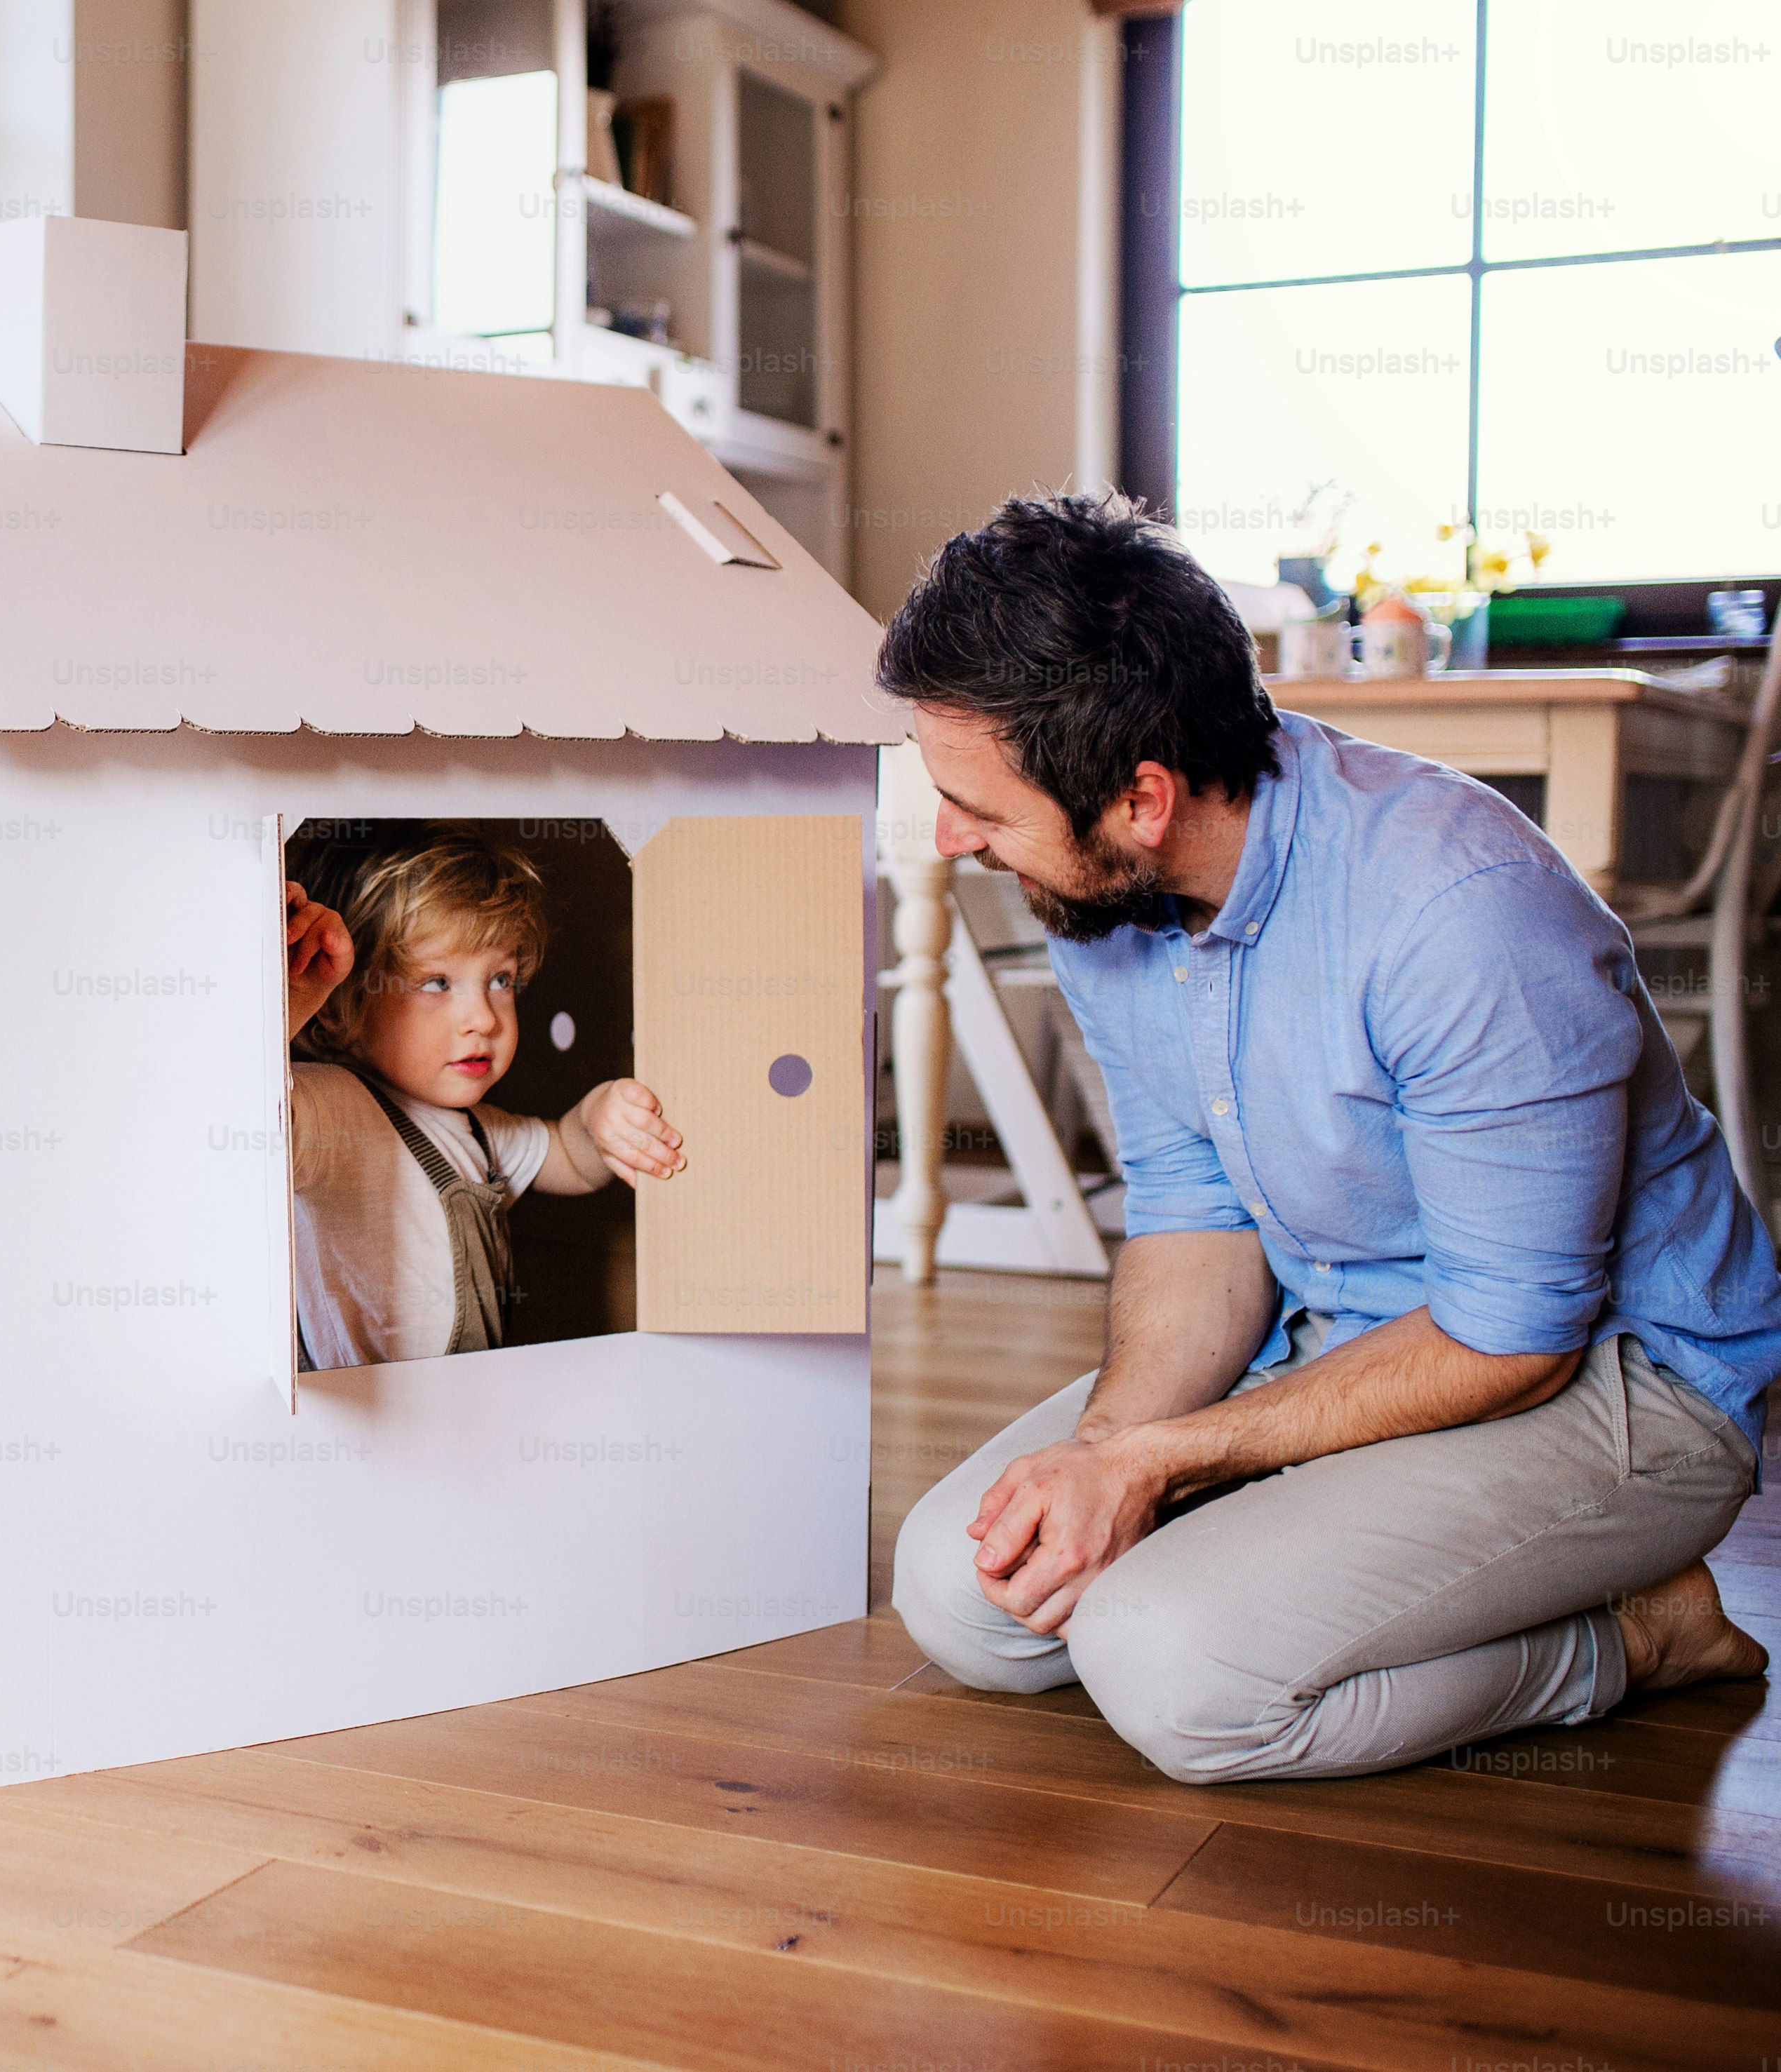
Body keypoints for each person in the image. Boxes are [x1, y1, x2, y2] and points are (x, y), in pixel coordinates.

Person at [885, 492, 1773, 1784]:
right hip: (1335, 1327)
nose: (949, 836)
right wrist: (1101, 1462)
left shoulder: (1461, 913)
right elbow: (1195, 1212)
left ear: (1139, 797)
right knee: (961, 1590)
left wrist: (1161, 1462)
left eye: (977, 804)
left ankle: (1639, 1630)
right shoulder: (1107, 896)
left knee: (1171, 1669)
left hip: (1609, 1378)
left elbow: (1511, 1336)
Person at [281, 824, 683, 1369]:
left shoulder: (474, 1130)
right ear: (335, 1007)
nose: (483, 1018)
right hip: (370, 1429)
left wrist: (597, 1118)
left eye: (500, 980)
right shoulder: (333, 1109)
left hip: (468, 1410)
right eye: (436, 983)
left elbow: (565, 1157)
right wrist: (293, 994)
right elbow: (247, 1105)